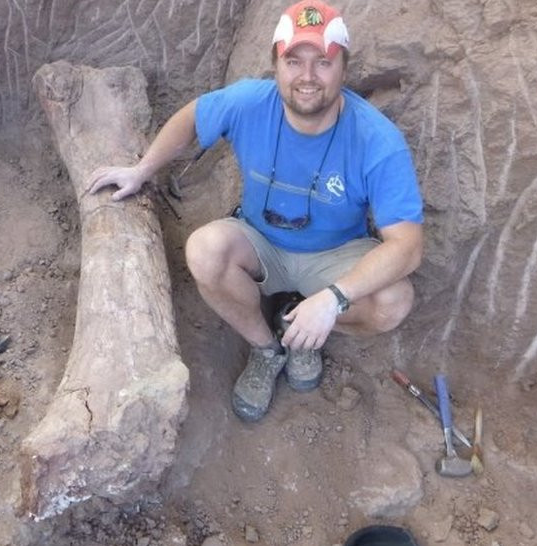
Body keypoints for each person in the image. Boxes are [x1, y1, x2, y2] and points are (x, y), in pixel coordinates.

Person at [88, 0, 423, 422]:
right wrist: (142, 169)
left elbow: (407, 246)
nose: (306, 77)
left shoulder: (376, 139)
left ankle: (300, 329)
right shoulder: (250, 102)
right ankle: (267, 348)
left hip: (335, 255)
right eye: (293, 61)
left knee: (394, 301)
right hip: (261, 240)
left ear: (343, 67)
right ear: (276, 65)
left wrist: (334, 298)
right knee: (204, 250)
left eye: (323, 62)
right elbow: (193, 117)